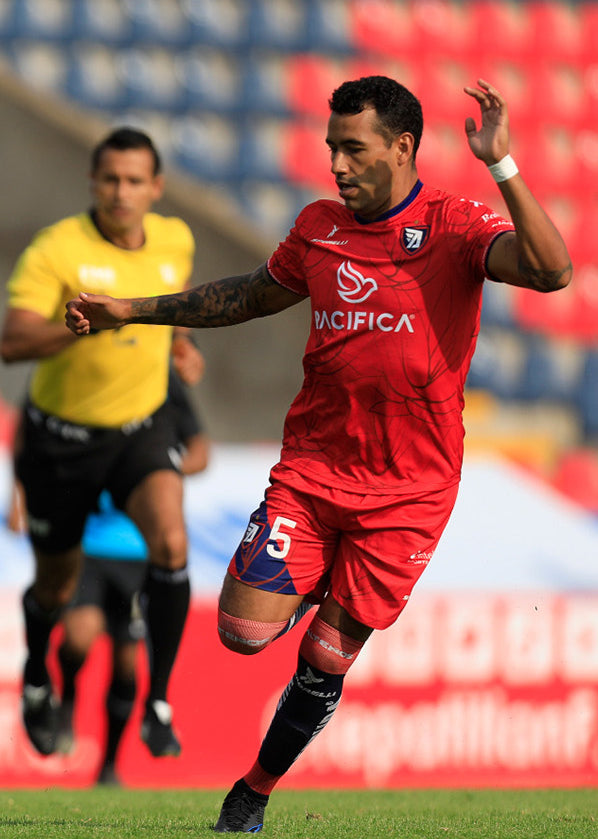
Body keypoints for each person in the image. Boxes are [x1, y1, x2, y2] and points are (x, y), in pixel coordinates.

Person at [66, 77, 571, 832]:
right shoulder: (318, 227)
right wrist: (130, 312)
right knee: (240, 634)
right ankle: (321, 580)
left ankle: (253, 793)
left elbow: (551, 271)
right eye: (331, 146)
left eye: (353, 148)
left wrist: (502, 167)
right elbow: (244, 296)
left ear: (402, 148)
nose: (335, 162)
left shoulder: (453, 224)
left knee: (326, 658)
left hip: (411, 488)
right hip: (312, 472)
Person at [0, 127, 198, 761]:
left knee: (171, 540)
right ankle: (36, 675)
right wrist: (74, 330)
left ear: (155, 188)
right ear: (93, 182)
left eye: (135, 180)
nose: (121, 192)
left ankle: (159, 701)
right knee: (55, 588)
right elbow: (10, 342)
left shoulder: (176, 240)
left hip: (141, 428)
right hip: (62, 440)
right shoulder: (57, 249)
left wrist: (181, 342)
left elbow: (163, 315)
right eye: (110, 179)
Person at [54, 372, 210, 786]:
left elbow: (200, 450)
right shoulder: (92, 381)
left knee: (127, 662)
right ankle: (66, 697)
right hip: (89, 545)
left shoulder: (161, 384)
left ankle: (108, 766)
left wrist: (160, 468)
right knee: (78, 637)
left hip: (140, 553)